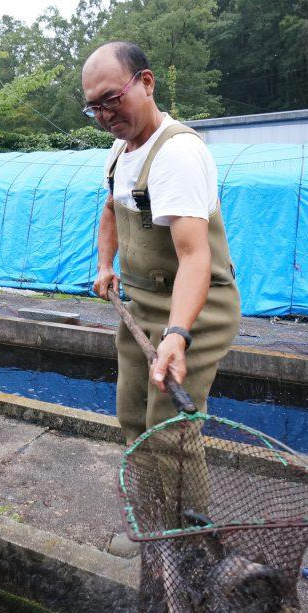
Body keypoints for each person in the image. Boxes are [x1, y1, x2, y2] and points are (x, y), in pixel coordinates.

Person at [82, 41, 241, 461]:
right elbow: (111, 211)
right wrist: (104, 264)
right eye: (94, 107)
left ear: (146, 83)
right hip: (142, 303)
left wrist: (178, 334)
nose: (104, 115)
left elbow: (194, 256)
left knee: (170, 431)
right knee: (132, 416)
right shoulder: (119, 153)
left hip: (195, 312)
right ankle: (151, 508)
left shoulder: (177, 153)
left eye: (112, 99)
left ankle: (187, 526)